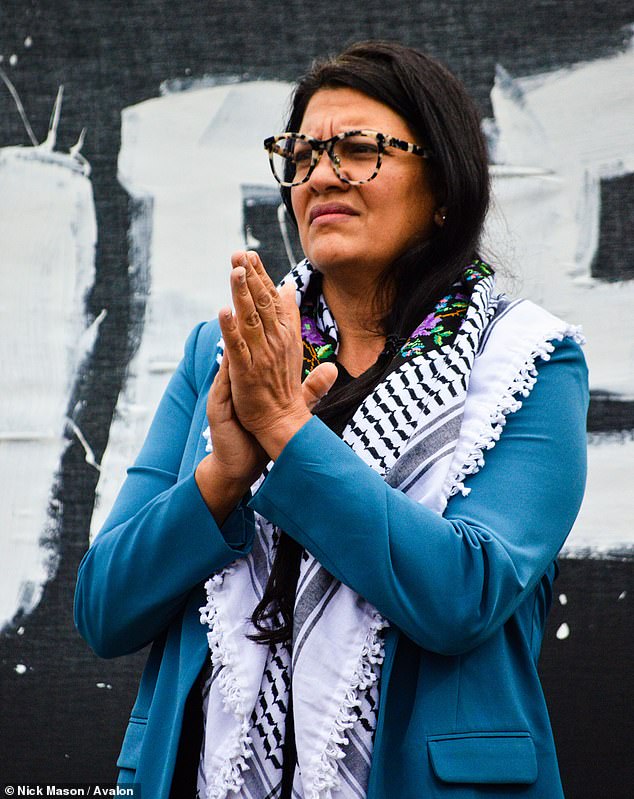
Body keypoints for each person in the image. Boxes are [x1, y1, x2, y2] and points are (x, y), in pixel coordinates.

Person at [74, 41, 588, 798]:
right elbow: (104, 609)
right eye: (303, 153)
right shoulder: (223, 355)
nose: (320, 175)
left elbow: (462, 595)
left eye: (359, 149)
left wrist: (286, 429)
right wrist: (221, 478)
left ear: (443, 184)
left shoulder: (527, 361)